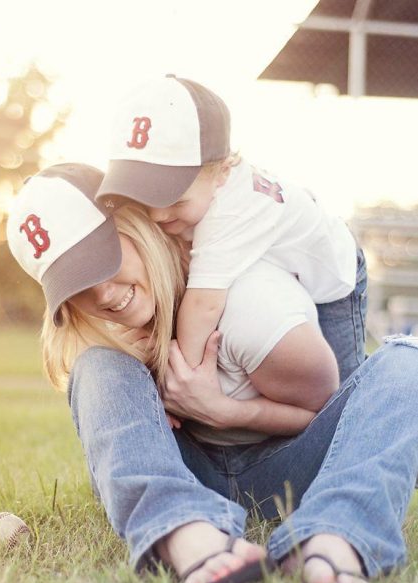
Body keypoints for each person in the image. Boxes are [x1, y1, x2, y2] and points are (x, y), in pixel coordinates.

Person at [7, 162, 418, 583]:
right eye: (78, 286)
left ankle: (336, 536)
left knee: (407, 362)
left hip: (295, 469)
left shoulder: (247, 300)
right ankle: (185, 531)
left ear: (134, 224)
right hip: (185, 473)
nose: (103, 296)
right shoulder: (107, 336)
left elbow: (333, 411)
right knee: (96, 369)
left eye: (104, 263)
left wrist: (223, 411)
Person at [95, 74, 367, 381]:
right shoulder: (203, 194)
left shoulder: (231, 211)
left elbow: (203, 306)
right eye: (147, 197)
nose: (157, 214)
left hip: (333, 274)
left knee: (345, 385)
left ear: (222, 172)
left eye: (175, 199)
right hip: (280, 266)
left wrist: (178, 376)